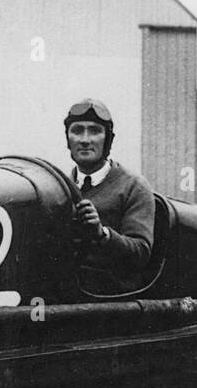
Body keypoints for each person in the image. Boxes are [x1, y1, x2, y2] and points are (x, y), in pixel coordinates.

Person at [63, 98, 155, 292]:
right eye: (77, 130)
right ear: (68, 139)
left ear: (108, 139)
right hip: (63, 296)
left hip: (110, 302)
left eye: (95, 131)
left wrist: (102, 234)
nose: (85, 139)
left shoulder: (134, 186)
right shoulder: (60, 187)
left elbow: (141, 252)